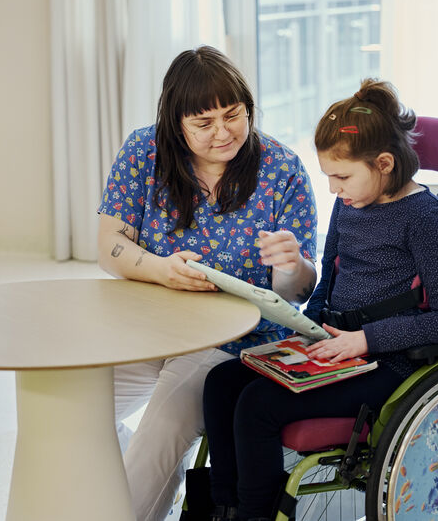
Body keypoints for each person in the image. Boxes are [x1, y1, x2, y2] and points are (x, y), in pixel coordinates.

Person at [202, 79, 438, 521]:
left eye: (341, 176)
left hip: (389, 365)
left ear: (384, 163)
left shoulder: (425, 219)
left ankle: (255, 514)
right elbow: (330, 277)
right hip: (334, 347)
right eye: (328, 176)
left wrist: (364, 340)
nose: (333, 190)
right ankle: (223, 505)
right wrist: (305, 325)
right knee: (222, 384)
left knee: (257, 406)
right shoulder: (352, 201)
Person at [96, 45, 318, 521]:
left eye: (233, 115)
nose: (223, 132)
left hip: (233, 341)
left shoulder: (282, 169)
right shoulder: (144, 151)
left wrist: (291, 263)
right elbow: (109, 245)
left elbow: (297, 292)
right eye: (204, 123)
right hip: (150, 324)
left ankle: (139, 498)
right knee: (78, 411)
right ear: (176, 123)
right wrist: (161, 269)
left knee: (161, 432)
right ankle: (147, 487)